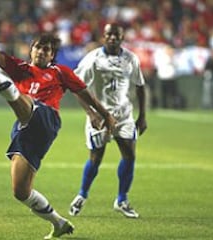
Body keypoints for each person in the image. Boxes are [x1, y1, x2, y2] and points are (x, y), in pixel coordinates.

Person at [0, 5, 116, 239]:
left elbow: (85, 93)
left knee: (27, 104)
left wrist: (104, 114)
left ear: (52, 56)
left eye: (47, 50)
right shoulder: (22, 69)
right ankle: (58, 223)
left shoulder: (60, 72)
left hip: (46, 118)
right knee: (20, 191)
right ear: (31, 50)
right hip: (25, 127)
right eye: (39, 47)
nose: (42, 52)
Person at [69, 23, 147, 219]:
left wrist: (142, 116)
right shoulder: (92, 58)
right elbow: (77, 87)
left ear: (122, 37)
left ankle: (121, 200)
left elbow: (140, 86)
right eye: (109, 34)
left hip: (124, 115)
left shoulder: (131, 58)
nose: (112, 38)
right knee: (96, 158)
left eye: (116, 34)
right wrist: (91, 114)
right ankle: (82, 195)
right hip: (100, 116)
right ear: (103, 36)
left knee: (130, 155)